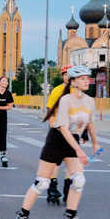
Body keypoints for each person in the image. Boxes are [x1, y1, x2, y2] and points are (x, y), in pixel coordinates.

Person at [8, 66, 100, 219]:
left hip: (73, 142)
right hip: (57, 140)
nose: (86, 80)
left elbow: (91, 123)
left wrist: (95, 143)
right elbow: (64, 129)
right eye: (82, 78)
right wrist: (79, 150)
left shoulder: (89, 101)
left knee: (79, 180)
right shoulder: (65, 100)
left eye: (87, 77)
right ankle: (21, 217)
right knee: (42, 183)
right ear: (73, 81)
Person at [45, 64, 74, 205]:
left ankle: (68, 187)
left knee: (71, 160)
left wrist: (85, 132)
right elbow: (51, 111)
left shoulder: (78, 92)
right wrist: (53, 128)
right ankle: (52, 186)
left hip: (73, 130)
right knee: (56, 160)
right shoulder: (57, 91)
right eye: (65, 75)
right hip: (58, 129)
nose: (67, 77)